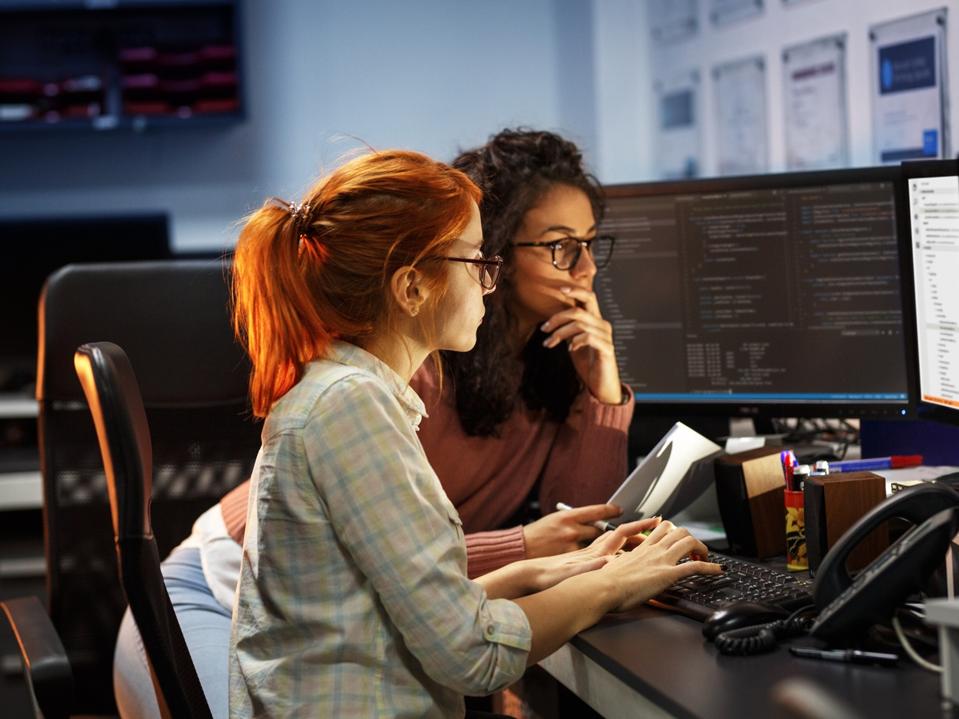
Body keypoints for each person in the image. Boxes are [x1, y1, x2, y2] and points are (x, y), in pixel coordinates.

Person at [111, 130, 660, 717]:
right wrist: (599, 580)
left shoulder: (373, 389)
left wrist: (566, 562)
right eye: (480, 261)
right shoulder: (367, 397)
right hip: (211, 589)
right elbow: (461, 644)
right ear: (413, 286)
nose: (584, 268)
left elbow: (389, 588)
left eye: (589, 243)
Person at [224, 148, 718, 716]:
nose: (490, 281)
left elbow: (379, 608)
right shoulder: (352, 407)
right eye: (478, 262)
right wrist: (615, 585)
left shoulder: (352, 393)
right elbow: (472, 654)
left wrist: (551, 569)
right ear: (412, 289)